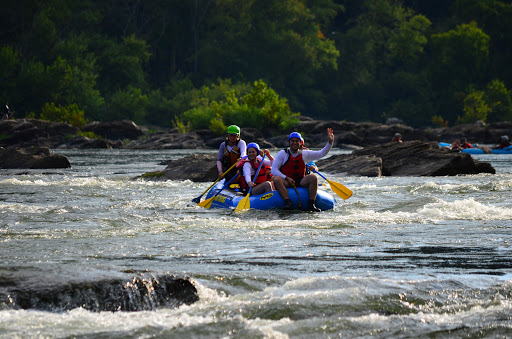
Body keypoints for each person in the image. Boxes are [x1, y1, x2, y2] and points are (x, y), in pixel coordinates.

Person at [271, 128, 334, 212]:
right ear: (289, 142)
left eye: (297, 141)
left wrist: (330, 143)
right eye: (292, 141)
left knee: (313, 177)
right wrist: (286, 178)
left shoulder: (305, 153)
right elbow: (274, 170)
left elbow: (321, 153)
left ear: (300, 143)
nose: (295, 143)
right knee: (277, 179)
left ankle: (311, 204)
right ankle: (288, 202)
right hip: (287, 182)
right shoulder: (283, 153)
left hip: (301, 181)